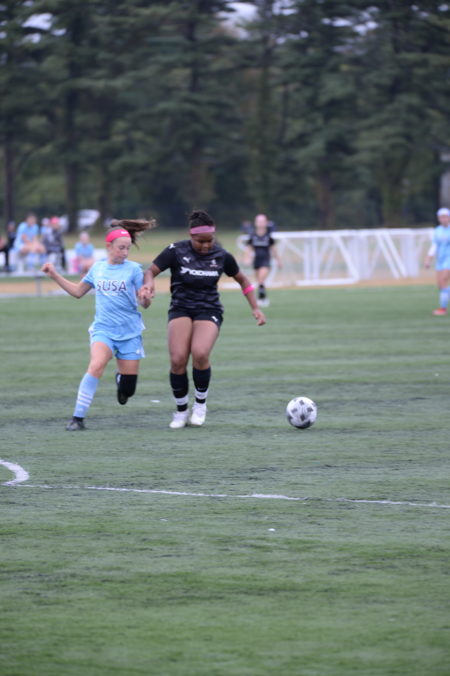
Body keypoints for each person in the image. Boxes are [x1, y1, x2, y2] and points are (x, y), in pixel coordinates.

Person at [138, 209, 266, 429]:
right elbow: (150, 271)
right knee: (178, 359)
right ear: (191, 236)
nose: (206, 246)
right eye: (201, 241)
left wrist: (255, 307)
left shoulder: (222, 255)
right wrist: (148, 284)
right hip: (181, 308)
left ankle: (200, 405)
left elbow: (244, 281)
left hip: (209, 309)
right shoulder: (176, 250)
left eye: (210, 241)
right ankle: (181, 411)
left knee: (200, 353)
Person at [41, 218, 155, 430]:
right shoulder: (98, 268)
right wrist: (55, 275)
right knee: (96, 365)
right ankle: (77, 419)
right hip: (104, 329)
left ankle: (121, 380)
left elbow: (145, 303)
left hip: (130, 332)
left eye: (128, 248)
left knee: (128, 390)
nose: (125, 253)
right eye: (121, 248)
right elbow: (78, 292)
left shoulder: (134, 270)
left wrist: (146, 298)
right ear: (108, 246)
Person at [243, 213, 282, 307]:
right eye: (259, 221)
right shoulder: (253, 235)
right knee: (260, 282)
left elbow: (273, 249)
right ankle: (263, 298)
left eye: (262, 221)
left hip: (266, 261)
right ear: (255, 223)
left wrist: (278, 261)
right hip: (256, 261)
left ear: (266, 223)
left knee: (261, 280)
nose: (260, 223)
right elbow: (249, 248)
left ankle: (261, 298)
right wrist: (247, 259)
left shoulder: (268, 236)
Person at [424, 207, 450, 316]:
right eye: (441, 217)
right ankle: (443, 307)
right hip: (440, 260)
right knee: (440, 284)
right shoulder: (437, 231)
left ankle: (443, 309)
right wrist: (428, 259)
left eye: (445, 217)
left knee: (443, 281)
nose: (443, 219)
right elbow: (434, 246)